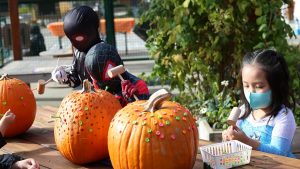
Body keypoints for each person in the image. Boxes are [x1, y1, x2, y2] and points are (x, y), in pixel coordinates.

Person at [51, 6, 149, 106]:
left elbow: (121, 86)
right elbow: (76, 79)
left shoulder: (104, 53)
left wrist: (129, 96)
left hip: (111, 105)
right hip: (90, 104)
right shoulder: (79, 53)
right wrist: (64, 76)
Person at [222, 49, 296, 158]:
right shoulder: (243, 111)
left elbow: (280, 153)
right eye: (246, 85)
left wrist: (246, 141)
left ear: (276, 86)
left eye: (259, 86)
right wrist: (228, 138)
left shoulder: (283, 117)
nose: (251, 92)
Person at [84, 43, 149, 106]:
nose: (103, 84)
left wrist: (133, 101)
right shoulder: (96, 83)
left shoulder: (138, 85)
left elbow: (143, 113)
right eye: (96, 79)